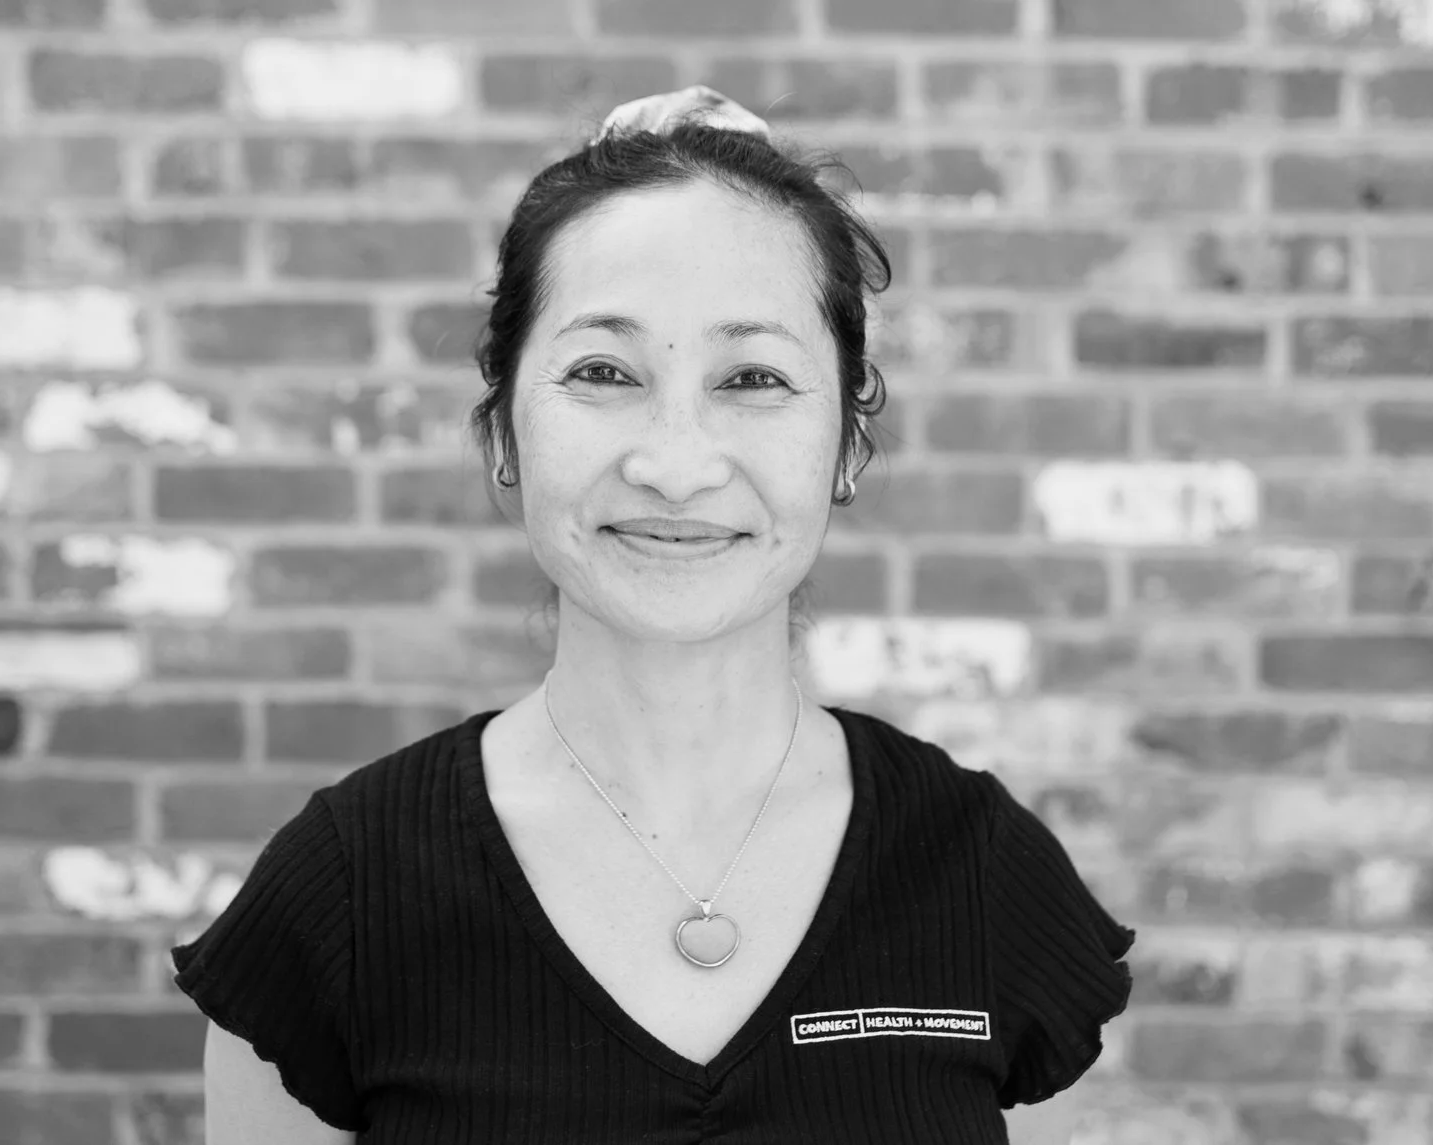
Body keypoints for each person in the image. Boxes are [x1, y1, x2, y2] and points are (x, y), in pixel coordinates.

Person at [174, 86, 1135, 1144]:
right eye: (602, 371)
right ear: (502, 427)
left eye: (754, 376)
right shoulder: (342, 896)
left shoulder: (984, 876)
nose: (674, 463)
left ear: (848, 445)